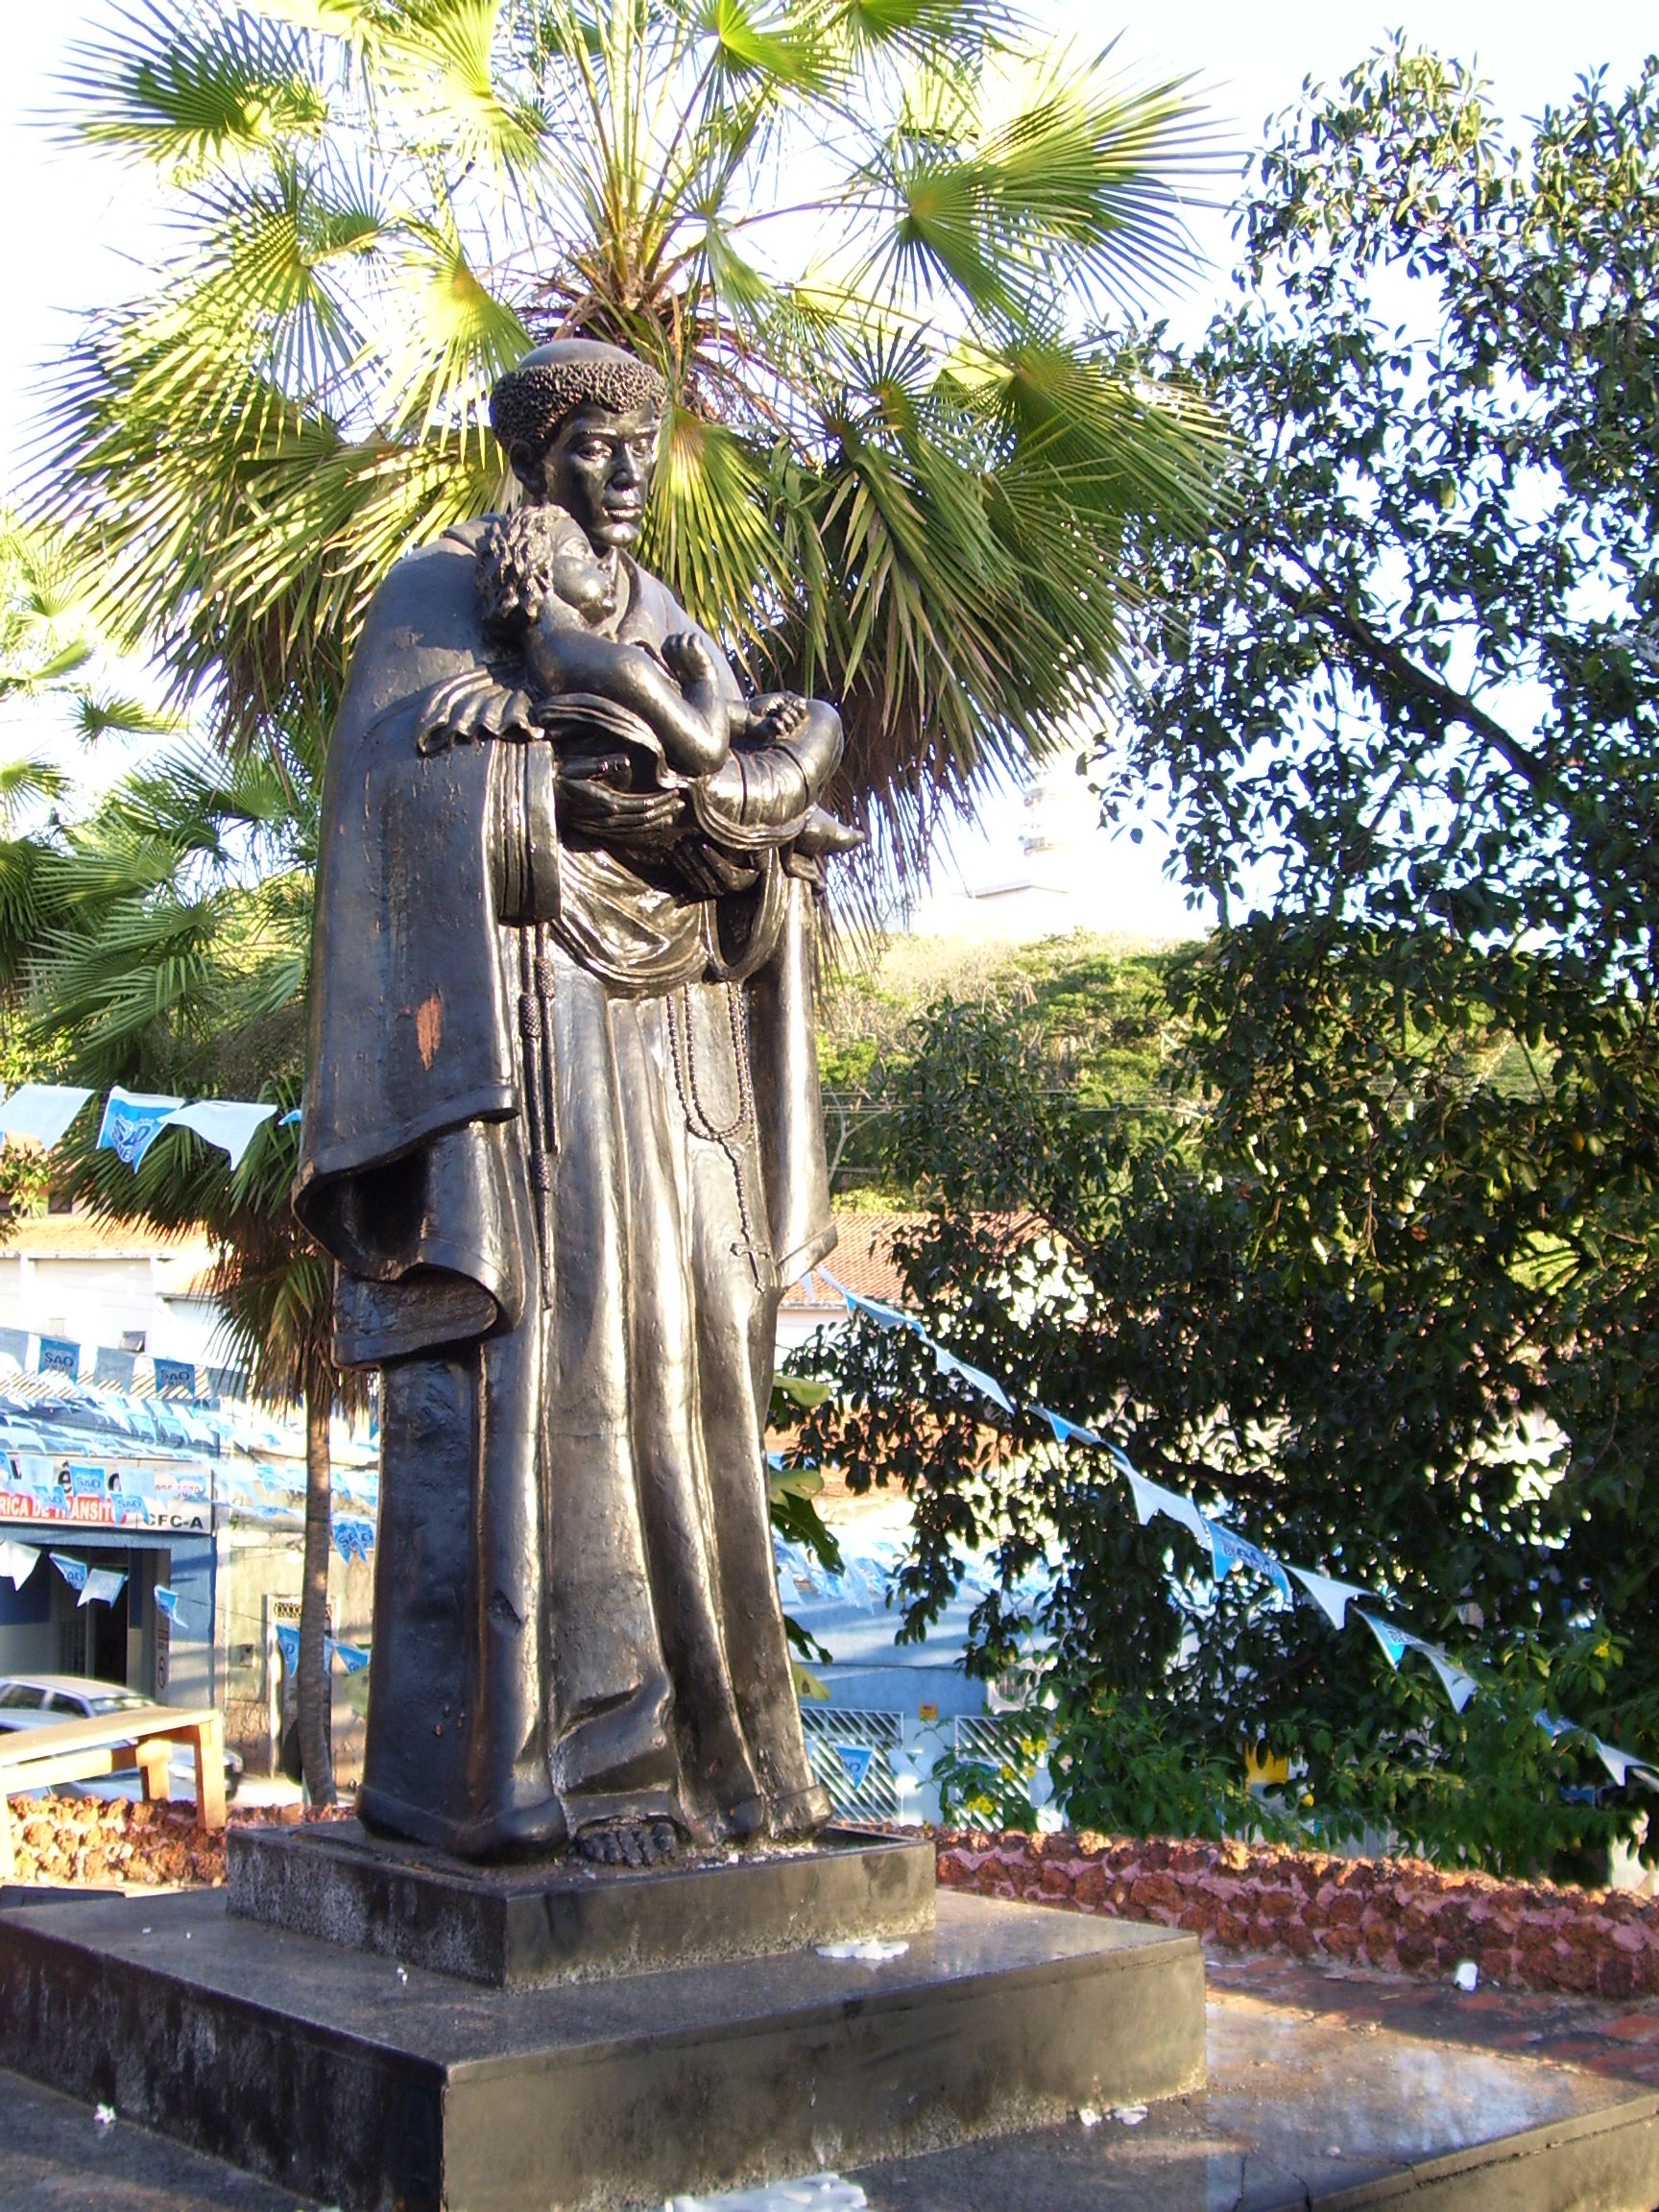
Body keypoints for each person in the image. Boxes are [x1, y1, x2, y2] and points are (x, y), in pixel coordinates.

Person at [296, 339, 850, 1863]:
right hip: (531, 1041)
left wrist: (735, 827)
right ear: (536, 456)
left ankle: (706, 1756)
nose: (620, 471)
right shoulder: (443, 590)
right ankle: (564, 1766)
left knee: (686, 1358)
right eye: (592, 444)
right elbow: (387, 794)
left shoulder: (671, 618)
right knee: (565, 1355)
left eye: (640, 444)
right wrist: (530, 790)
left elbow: (752, 781)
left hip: (661, 1025)